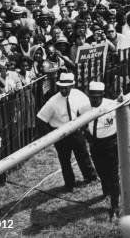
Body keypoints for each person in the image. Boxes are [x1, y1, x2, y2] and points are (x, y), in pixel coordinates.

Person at [36, 72, 96, 191]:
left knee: (83, 154)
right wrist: (51, 135)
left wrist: (84, 126)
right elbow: (40, 119)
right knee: (64, 160)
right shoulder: (53, 101)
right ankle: (70, 184)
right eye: (61, 88)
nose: (63, 90)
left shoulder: (78, 95)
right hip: (60, 134)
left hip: (76, 130)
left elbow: (88, 109)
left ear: (71, 86)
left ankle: (91, 177)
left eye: (66, 88)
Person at [85, 81, 120, 220]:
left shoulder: (112, 105)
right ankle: (106, 190)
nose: (93, 100)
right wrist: (87, 135)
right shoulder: (84, 107)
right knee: (100, 170)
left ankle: (115, 205)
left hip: (110, 143)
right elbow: (79, 121)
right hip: (95, 144)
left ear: (102, 95)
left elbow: (124, 119)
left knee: (112, 174)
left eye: (96, 97)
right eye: (91, 97)